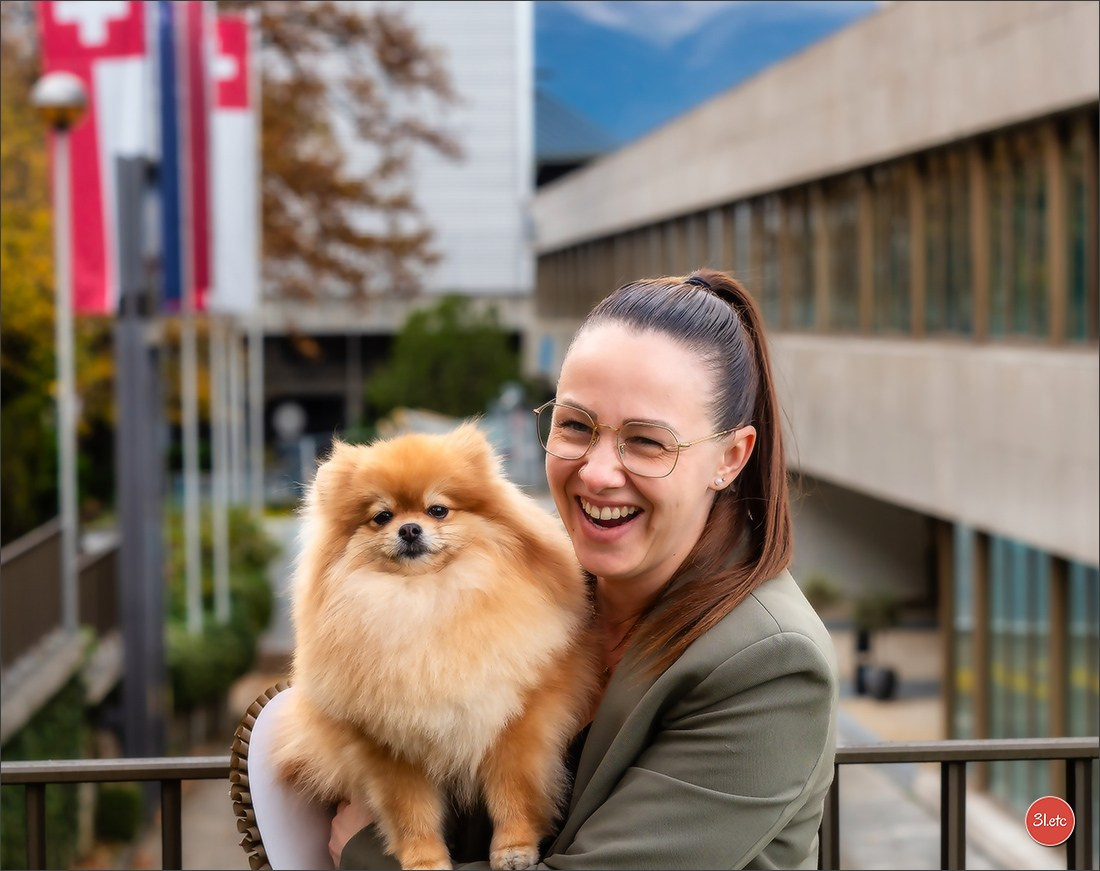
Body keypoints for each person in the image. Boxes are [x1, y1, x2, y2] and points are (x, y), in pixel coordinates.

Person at [332, 268, 839, 869]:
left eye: (647, 442)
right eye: (575, 426)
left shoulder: (771, 663)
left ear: (730, 458)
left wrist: (365, 853)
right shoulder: (537, 592)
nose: (598, 472)